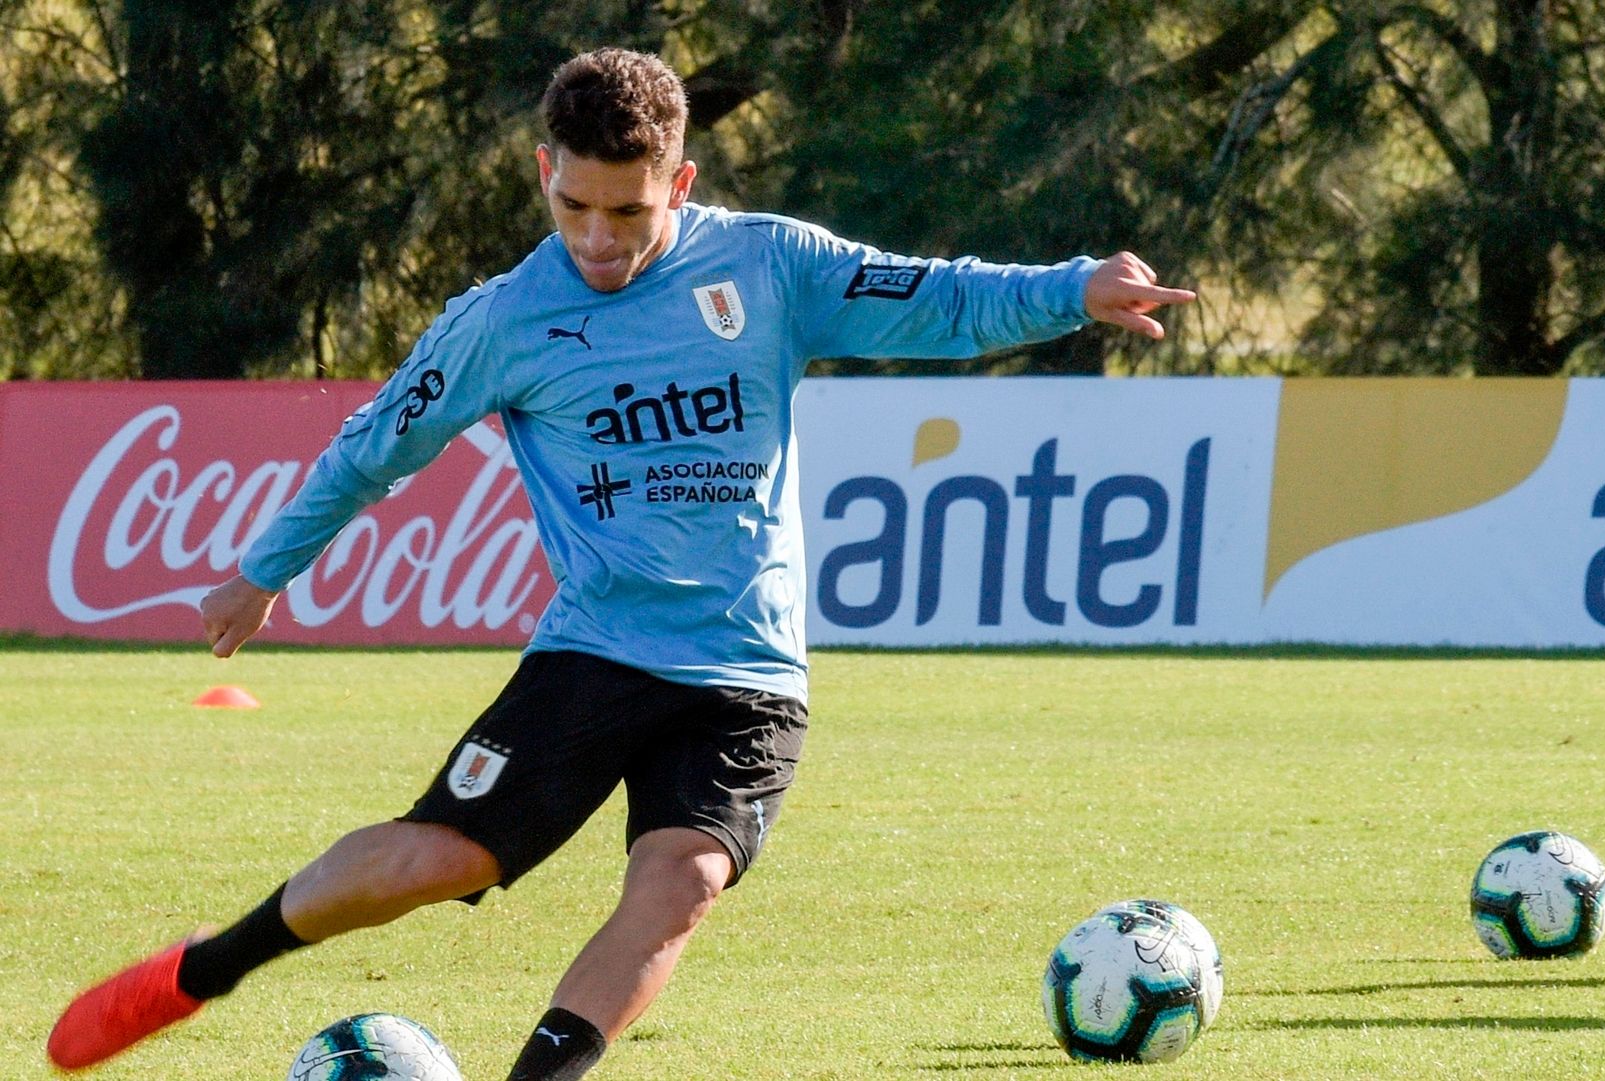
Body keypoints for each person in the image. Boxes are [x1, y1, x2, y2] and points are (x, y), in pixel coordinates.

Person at [45, 47, 1194, 1080]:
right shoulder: (503, 319)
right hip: (597, 652)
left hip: (749, 669)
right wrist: (266, 567)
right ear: (545, 169)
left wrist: (1075, 287)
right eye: (573, 205)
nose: (597, 238)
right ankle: (209, 968)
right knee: (434, 862)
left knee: (680, 885)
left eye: (628, 212)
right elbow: (375, 446)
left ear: (681, 183)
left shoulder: (769, 269)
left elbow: (938, 298)